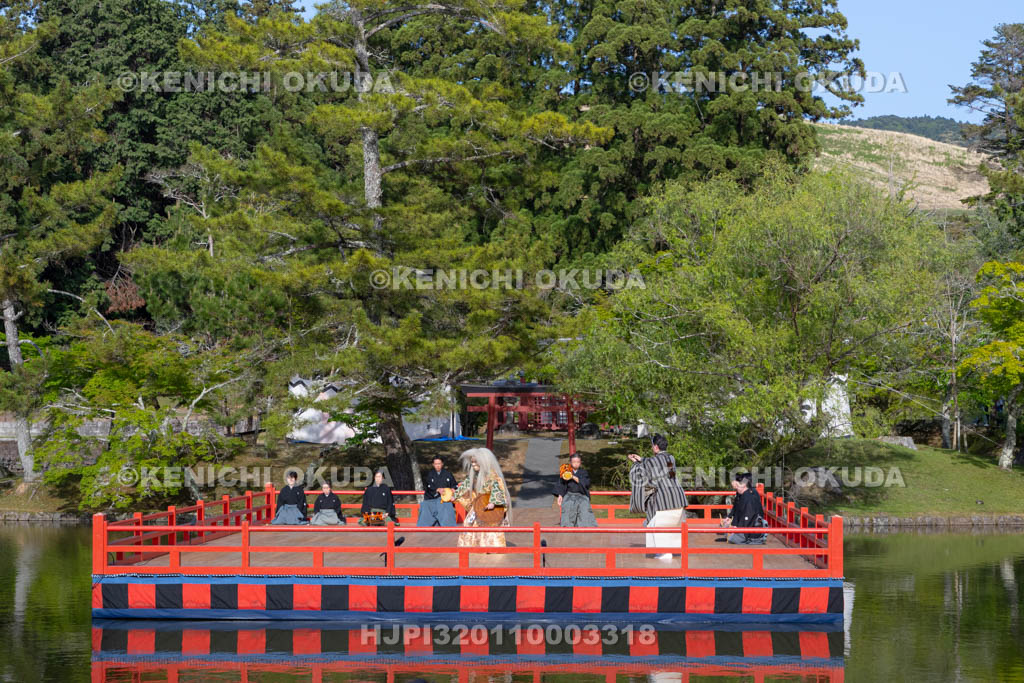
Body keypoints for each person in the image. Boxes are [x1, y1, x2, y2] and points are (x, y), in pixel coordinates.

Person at [453, 447, 511, 547]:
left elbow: (497, 488)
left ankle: (490, 546)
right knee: (470, 522)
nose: (474, 465)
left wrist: (493, 502)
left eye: (476, 462)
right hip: (478, 505)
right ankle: (471, 545)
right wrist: (455, 495)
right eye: (472, 462)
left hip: (489, 506)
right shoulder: (474, 475)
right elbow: (465, 485)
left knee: (489, 525)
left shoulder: (492, 475)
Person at [627, 433, 688, 523]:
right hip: (677, 499)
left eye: (652, 446)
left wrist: (635, 463)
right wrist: (642, 459)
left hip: (662, 501)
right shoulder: (671, 458)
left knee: (653, 526)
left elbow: (640, 474)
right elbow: (660, 464)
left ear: (656, 447)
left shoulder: (652, 462)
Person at [720, 471, 766, 544]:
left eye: (739, 483)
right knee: (726, 531)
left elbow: (748, 516)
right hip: (746, 524)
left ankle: (740, 534)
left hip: (752, 529)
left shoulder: (751, 496)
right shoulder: (743, 494)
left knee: (731, 537)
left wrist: (736, 527)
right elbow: (738, 509)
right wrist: (732, 520)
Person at [553, 453, 597, 527]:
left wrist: (572, 476)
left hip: (581, 495)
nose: (576, 464)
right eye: (574, 462)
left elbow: (586, 483)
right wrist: (560, 495)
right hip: (569, 495)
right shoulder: (566, 472)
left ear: (580, 462)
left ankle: (584, 526)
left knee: (584, 508)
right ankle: (567, 525)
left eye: (578, 462)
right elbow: (562, 484)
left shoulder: (584, 472)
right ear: (570, 462)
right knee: (567, 507)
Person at [417, 456, 458, 527]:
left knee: (446, 506)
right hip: (432, 498)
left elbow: (454, 485)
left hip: (445, 499)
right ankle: (424, 526)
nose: (438, 465)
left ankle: (448, 526)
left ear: (442, 464)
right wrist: (437, 489)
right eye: (436, 464)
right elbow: (427, 486)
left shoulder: (448, 474)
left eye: (439, 463)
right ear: (433, 465)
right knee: (425, 505)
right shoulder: (430, 474)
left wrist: (453, 490)